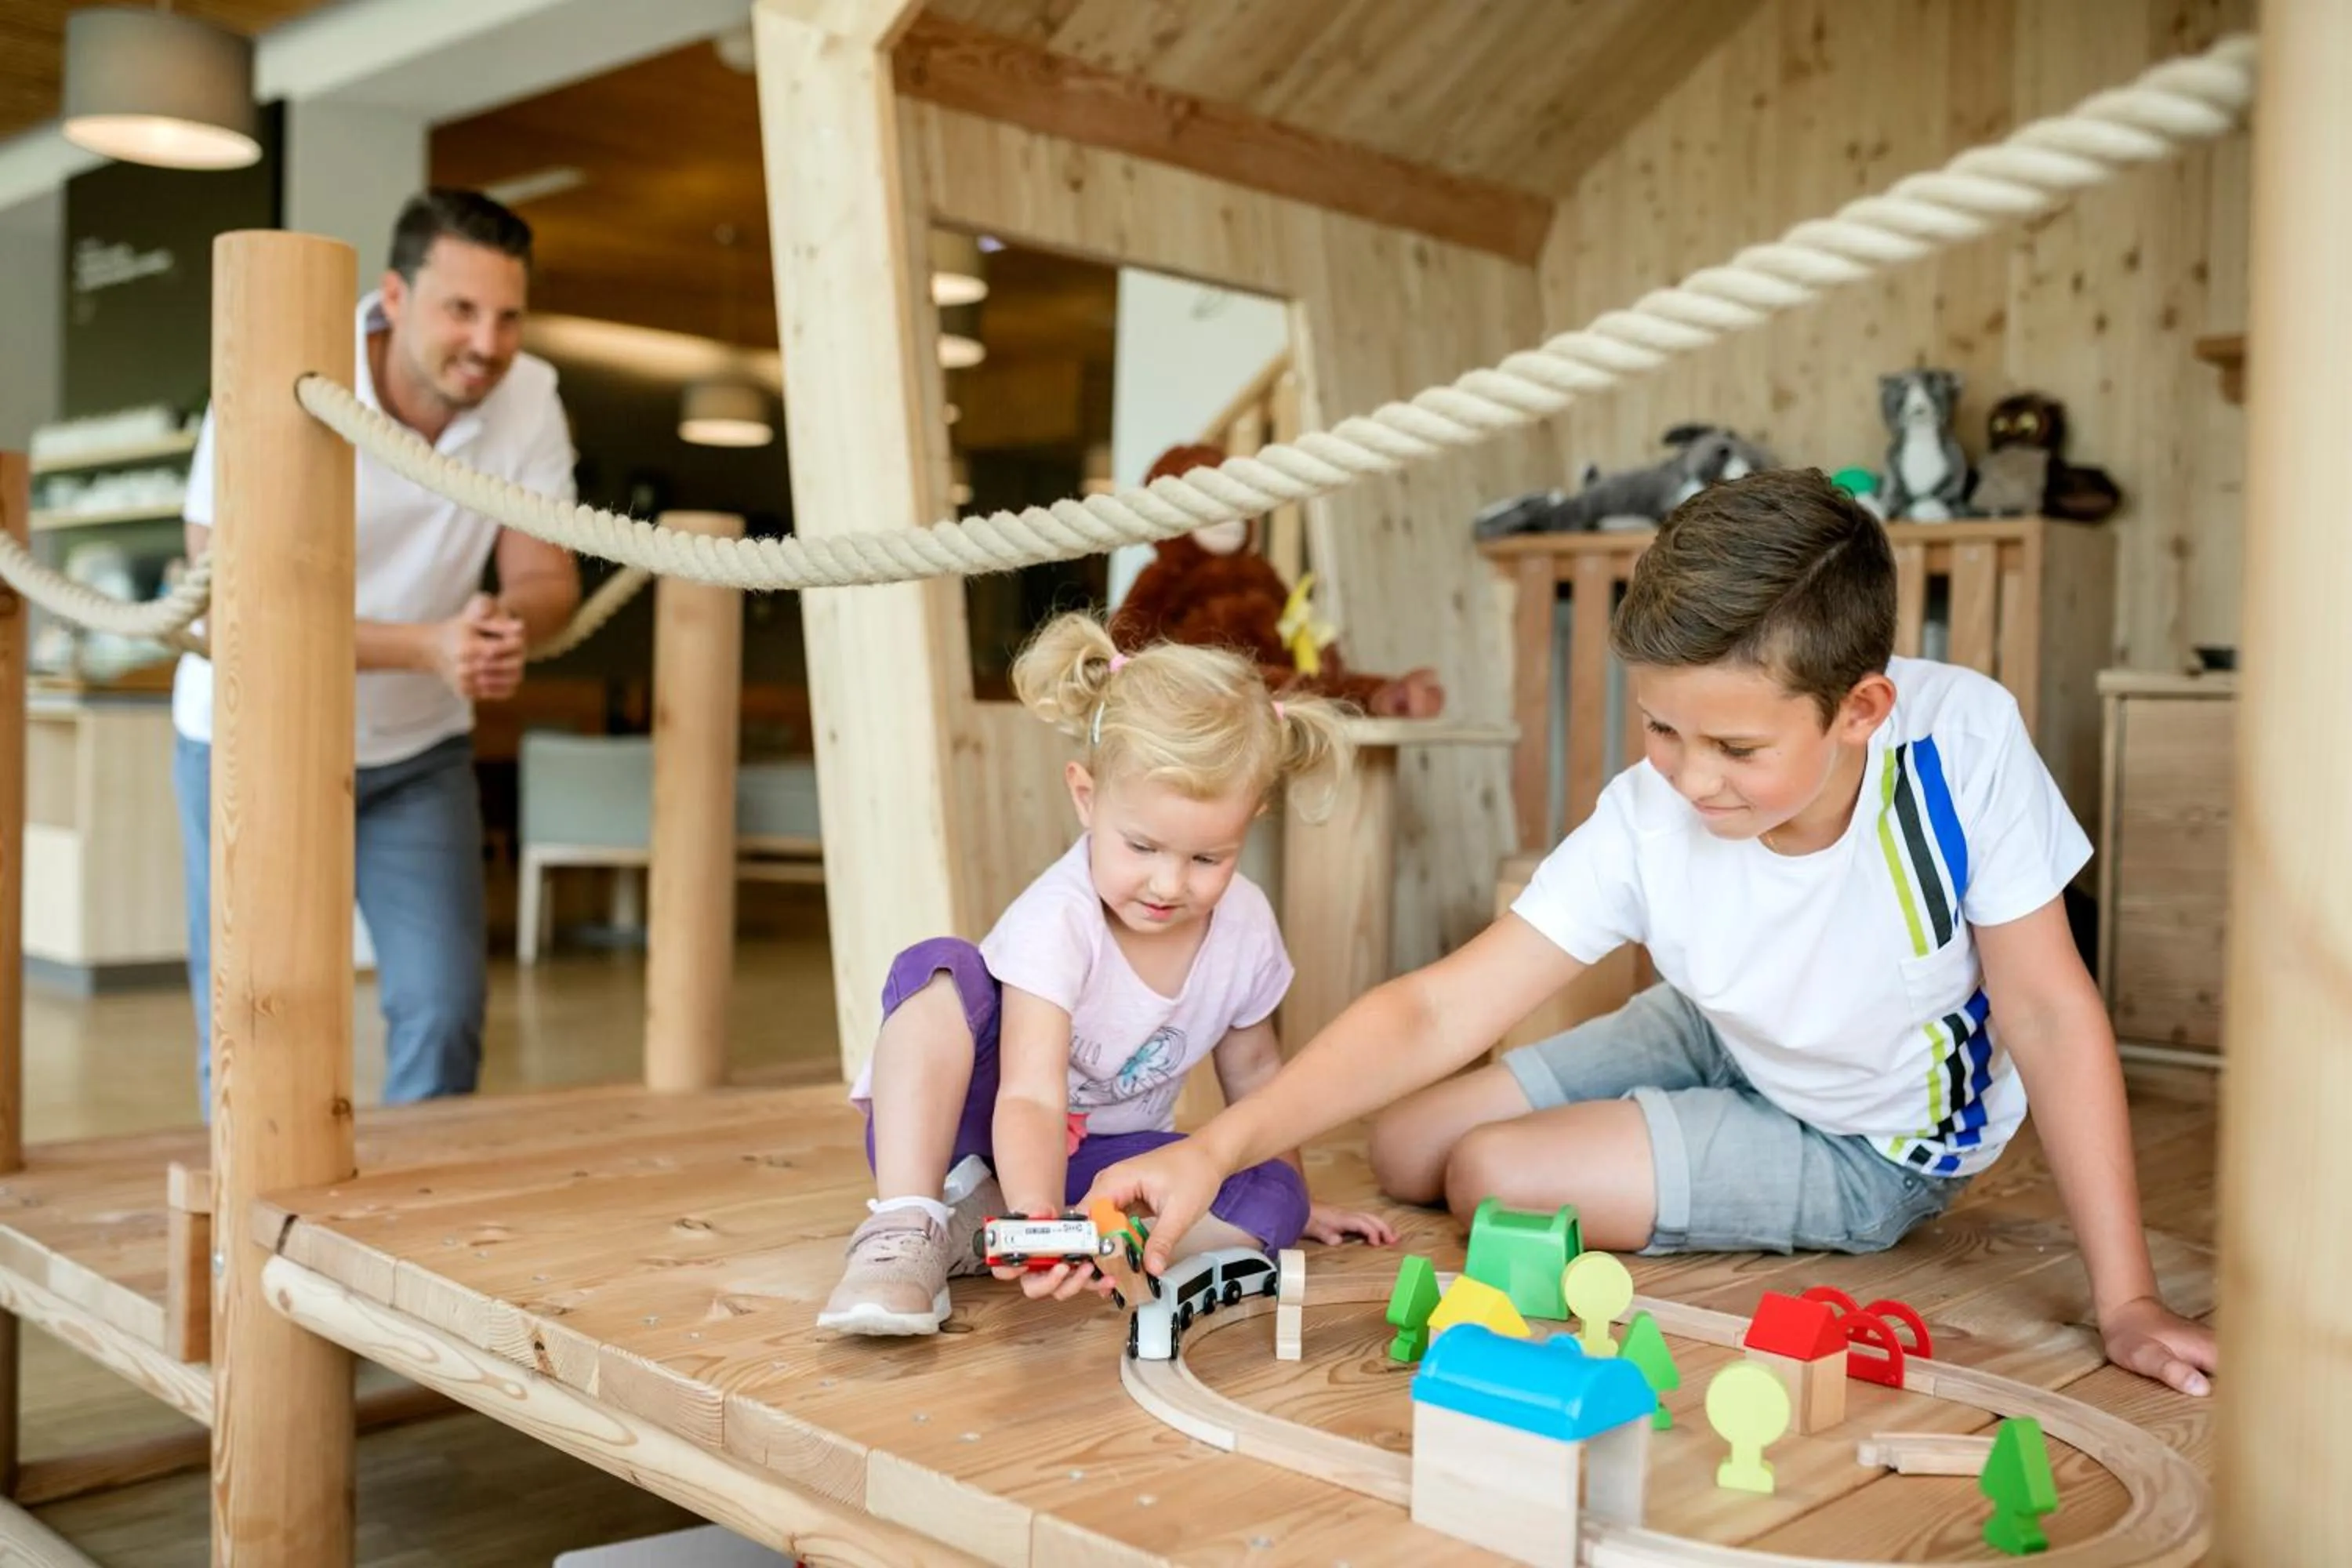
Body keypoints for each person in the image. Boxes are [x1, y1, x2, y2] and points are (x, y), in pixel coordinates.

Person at [1085, 466, 2218, 1398]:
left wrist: (2125, 1299)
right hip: (1720, 1026)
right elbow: (1439, 1006)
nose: (1689, 777)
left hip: (1872, 1140)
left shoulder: (1960, 743)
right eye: (1664, 728)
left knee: (1491, 1177)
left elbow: (2050, 1013)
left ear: (1859, 710)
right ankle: (1677, 1129)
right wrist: (1211, 1148)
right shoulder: (1650, 808)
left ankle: (1676, 1140)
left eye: (1736, 749)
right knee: (1402, 1145)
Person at [819, 612, 1396, 1336]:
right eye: (1142, 846)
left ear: (1253, 819)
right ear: (1087, 798)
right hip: (968, 1127)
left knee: (1271, 1197)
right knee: (939, 970)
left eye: (1206, 859)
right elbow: (1030, 1095)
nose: (1167, 883)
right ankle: (910, 1225)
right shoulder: (1057, 919)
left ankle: (1037, 1235)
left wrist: (1301, 1201)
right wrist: (1037, 1222)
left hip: (1094, 1163)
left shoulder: (1245, 926)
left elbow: (1257, 1078)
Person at [173, 188, 582, 1109]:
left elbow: (546, 576)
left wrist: (501, 625)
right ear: (393, 297)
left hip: (417, 746)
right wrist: (427, 646)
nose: (488, 341)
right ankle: (247, 1242)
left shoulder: (531, 396)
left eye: (509, 315)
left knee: (443, 1010)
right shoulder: (285, 371)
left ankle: (408, 1227)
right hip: (252, 738)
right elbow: (222, 611)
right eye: (461, 310)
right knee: (250, 1021)